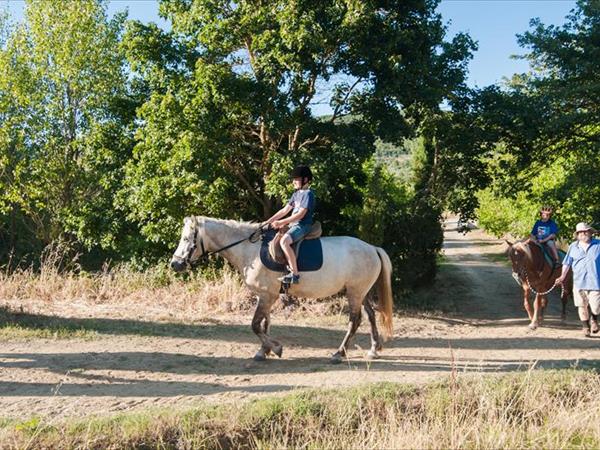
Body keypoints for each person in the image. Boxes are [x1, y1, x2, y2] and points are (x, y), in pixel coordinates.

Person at [265, 165, 316, 284]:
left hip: (302, 225)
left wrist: (281, 222)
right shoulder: (296, 194)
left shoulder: (308, 194)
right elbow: (284, 210)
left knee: (284, 241)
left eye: (297, 179)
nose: (293, 181)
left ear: (305, 180)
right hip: (293, 225)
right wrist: (269, 221)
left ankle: (295, 274)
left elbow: (300, 215)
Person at [555, 222, 600, 337]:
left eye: (585, 231)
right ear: (577, 234)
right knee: (581, 306)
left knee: (595, 306)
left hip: (596, 282)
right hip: (579, 282)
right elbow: (566, 263)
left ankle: (594, 319)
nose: (583, 234)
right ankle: (585, 327)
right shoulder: (573, 247)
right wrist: (562, 276)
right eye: (580, 232)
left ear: (590, 233)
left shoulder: (598, 245)